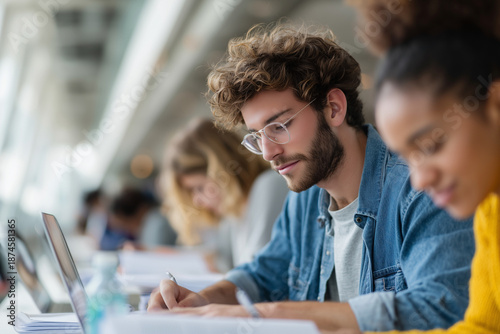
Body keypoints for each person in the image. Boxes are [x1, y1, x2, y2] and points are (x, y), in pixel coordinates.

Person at [147, 22, 475, 332]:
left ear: (333, 108)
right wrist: (203, 300)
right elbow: (261, 276)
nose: (268, 152)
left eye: (279, 126)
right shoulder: (303, 200)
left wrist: (262, 314)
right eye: (257, 136)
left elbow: (440, 310)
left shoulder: (421, 188)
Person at [337, 0, 500, 333]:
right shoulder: (490, 210)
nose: (421, 179)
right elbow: (482, 326)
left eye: (431, 146)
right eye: (408, 157)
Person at [160, 118, 289, 271]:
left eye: (200, 187)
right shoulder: (235, 217)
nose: (197, 201)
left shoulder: (269, 185)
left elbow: (257, 275)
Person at [109, 187, 178, 249]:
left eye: (124, 225)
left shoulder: (156, 226)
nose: (127, 231)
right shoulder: (152, 222)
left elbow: (157, 258)